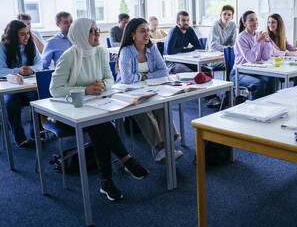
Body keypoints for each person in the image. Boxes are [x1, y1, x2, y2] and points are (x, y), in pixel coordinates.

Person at [50, 18, 148, 201]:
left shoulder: (100, 52)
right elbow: (54, 90)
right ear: (80, 34)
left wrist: (103, 84)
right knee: (99, 126)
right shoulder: (69, 56)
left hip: (95, 108)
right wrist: (84, 90)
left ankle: (107, 181)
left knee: (98, 126)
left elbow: (110, 79)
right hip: (69, 114)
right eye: (92, 31)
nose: (97, 34)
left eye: (97, 30)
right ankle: (125, 159)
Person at [116, 18, 182, 163]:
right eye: (142, 31)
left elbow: (164, 72)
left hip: (150, 91)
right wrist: (147, 77)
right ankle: (160, 148)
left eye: (147, 30)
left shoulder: (152, 49)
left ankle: (167, 147)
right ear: (133, 34)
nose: (147, 34)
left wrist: (143, 77)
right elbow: (127, 80)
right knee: (144, 110)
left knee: (162, 107)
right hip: (128, 94)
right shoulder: (126, 52)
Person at [0, 20, 42, 147]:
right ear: (13, 35)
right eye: (23, 34)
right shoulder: (3, 47)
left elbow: (40, 64)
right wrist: (17, 70)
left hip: (28, 86)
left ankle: (37, 133)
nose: (27, 37)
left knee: (38, 98)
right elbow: (1, 69)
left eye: (27, 33)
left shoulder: (31, 44)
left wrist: (32, 69)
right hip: (11, 87)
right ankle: (19, 138)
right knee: (11, 103)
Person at [231, 10, 275, 100]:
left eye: (256, 19)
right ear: (244, 24)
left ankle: (269, 107)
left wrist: (266, 42)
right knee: (259, 84)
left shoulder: (259, 34)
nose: (255, 22)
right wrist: (258, 42)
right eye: (251, 20)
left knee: (271, 79)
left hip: (255, 71)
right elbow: (251, 59)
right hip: (239, 73)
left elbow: (266, 57)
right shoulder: (241, 38)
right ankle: (255, 110)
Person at [267, 13, 297, 85]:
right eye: (269, 22)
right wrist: (290, 54)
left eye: (273, 22)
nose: (270, 24)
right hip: (273, 67)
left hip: (282, 65)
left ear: (279, 24)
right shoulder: (266, 37)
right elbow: (274, 52)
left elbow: (291, 48)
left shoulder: (282, 37)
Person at [206, 5, 237, 108]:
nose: (226, 17)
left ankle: (230, 91)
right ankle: (228, 93)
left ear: (232, 17)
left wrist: (229, 49)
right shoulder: (216, 25)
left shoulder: (233, 26)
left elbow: (234, 44)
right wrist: (228, 48)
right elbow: (213, 46)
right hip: (212, 58)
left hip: (225, 56)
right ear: (220, 15)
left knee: (235, 63)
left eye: (229, 15)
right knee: (232, 64)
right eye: (224, 14)